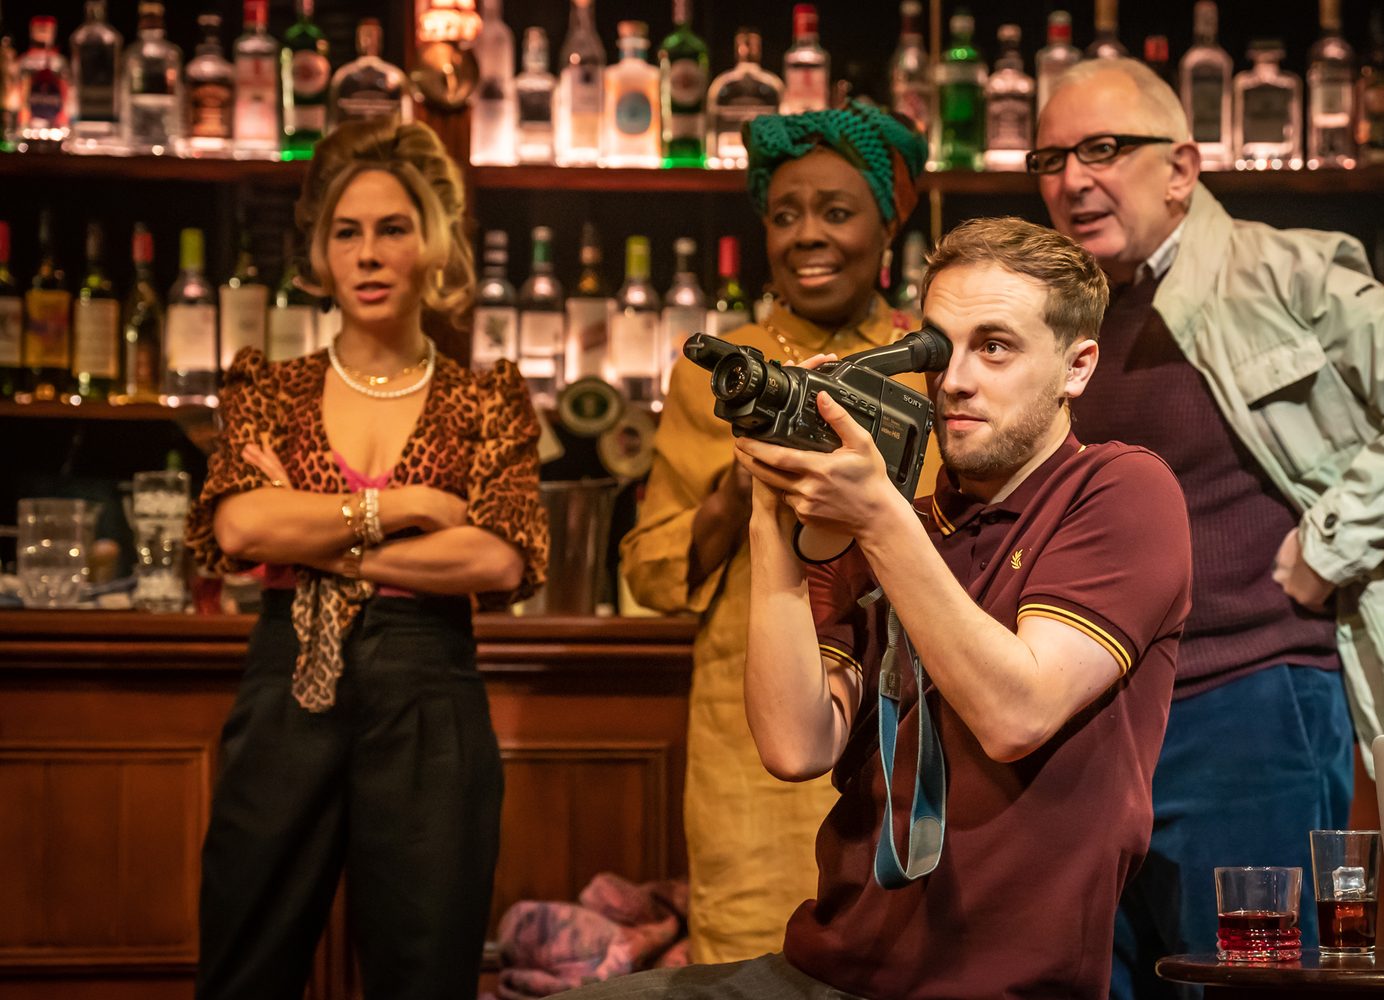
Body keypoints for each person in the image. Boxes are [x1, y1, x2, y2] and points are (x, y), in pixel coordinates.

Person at [563, 217, 1192, 998]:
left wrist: (878, 519)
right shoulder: (891, 524)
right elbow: (796, 746)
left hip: (1002, 985)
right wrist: (772, 509)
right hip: (826, 971)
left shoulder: (1119, 490)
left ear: (1077, 366)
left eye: (995, 347)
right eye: (938, 347)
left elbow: (1016, 713)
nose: (954, 378)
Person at [1031, 59, 1384, 998]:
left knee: (1250, 984)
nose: (1071, 180)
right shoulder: (1064, 314)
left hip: (1250, 701)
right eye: (1049, 157)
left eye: (1103, 149)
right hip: (1099, 714)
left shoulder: (1282, 270)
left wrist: (1327, 547)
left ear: (1181, 166)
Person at [185, 117, 549, 999]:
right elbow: (236, 531)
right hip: (284, 692)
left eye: (393, 229)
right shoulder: (266, 388)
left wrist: (321, 537)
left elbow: (500, 559)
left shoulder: (483, 400)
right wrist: (408, 512)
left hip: (431, 696)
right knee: (244, 967)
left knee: (425, 973)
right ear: (319, 256)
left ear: (433, 247)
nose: (370, 253)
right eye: (346, 233)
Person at [618, 99, 937, 964]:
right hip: (749, 729)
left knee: (903, 954)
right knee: (750, 961)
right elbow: (649, 571)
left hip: (902, 714)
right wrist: (741, 475)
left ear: (887, 223)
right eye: (786, 214)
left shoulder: (929, 364)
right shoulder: (720, 371)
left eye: (837, 211)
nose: (808, 235)